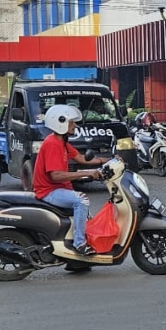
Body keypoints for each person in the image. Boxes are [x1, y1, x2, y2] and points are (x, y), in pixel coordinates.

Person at [33, 104, 110, 256]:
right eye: (71, 122)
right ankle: (79, 244)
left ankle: (76, 260)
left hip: (58, 189)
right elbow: (56, 176)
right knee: (81, 201)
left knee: (86, 216)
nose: (75, 125)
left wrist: (109, 160)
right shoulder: (53, 144)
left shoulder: (62, 142)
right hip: (48, 191)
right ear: (60, 122)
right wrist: (86, 173)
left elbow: (81, 158)